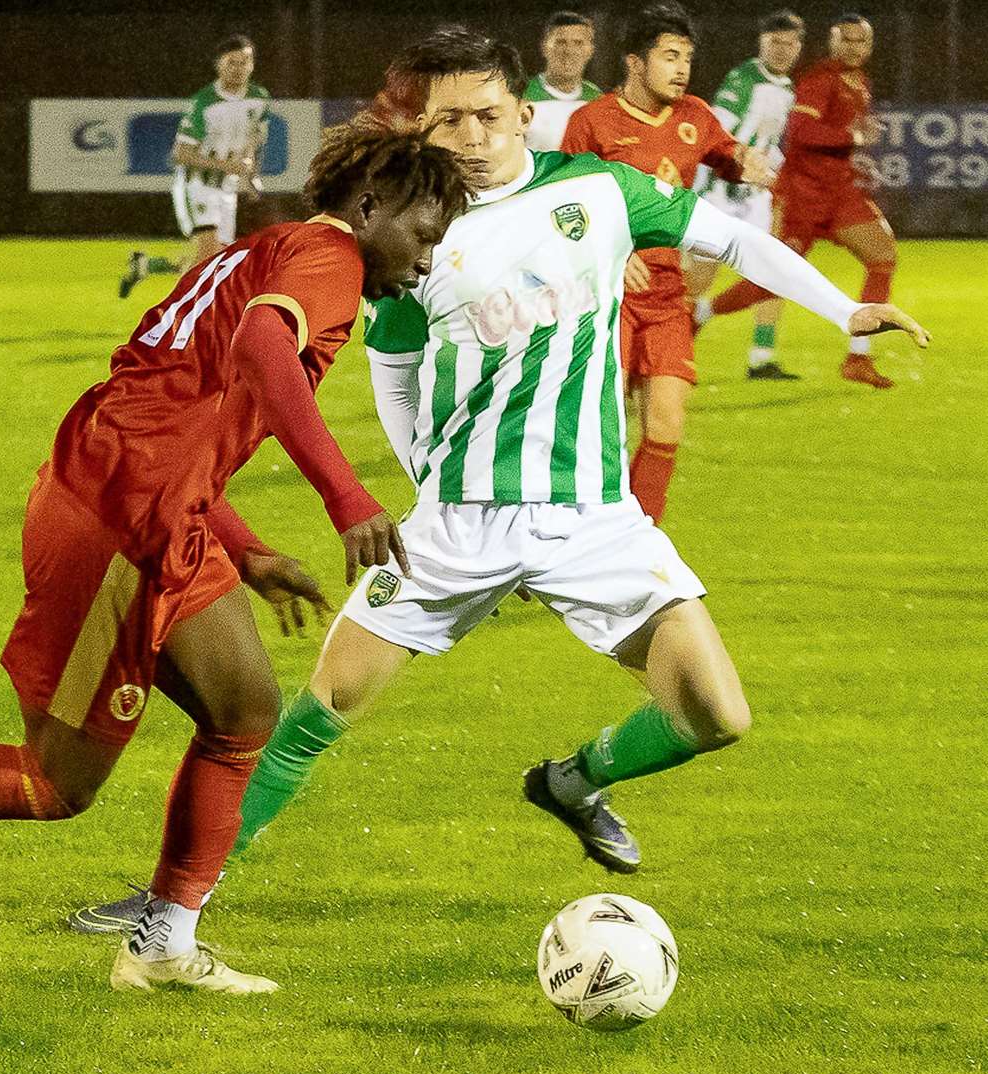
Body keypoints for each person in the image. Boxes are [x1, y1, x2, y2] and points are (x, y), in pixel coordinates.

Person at [68, 23, 927, 936]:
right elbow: (394, 373)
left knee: (716, 714)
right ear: (422, 130)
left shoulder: (597, 191)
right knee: (323, 706)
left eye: (486, 116)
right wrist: (423, 482)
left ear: (523, 114)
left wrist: (845, 308)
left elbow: (733, 240)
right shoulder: (412, 232)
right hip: (457, 523)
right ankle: (170, 902)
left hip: (596, 518)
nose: (471, 138)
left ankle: (572, 781)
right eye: (448, 123)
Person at [0, 127, 473, 995]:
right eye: (423, 237)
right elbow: (266, 352)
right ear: (368, 207)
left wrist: (247, 548)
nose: (425, 262)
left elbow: (169, 409)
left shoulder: (260, 250)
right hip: (115, 527)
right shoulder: (329, 262)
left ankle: (161, 946)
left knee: (244, 710)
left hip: (145, 500)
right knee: (53, 784)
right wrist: (349, 498)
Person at [560, 3, 776, 522]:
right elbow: (563, 207)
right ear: (635, 61)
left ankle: (639, 539)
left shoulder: (694, 117)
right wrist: (610, 248)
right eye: (670, 56)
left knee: (666, 424)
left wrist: (750, 164)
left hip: (665, 292)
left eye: (687, 58)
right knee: (596, 432)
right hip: (603, 293)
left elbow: (729, 155)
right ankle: (557, 539)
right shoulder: (591, 122)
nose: (682, 69)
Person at [695, 14, 898, 389]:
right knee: (769, 277)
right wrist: (852, 137)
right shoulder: (813, 80)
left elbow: (784, 141)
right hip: (789, 196)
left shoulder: (850, 82)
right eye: (846, 40)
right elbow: (802, 132)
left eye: (861, 41)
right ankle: (695, 318)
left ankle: (855, 354)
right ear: (832, 42)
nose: (853, 47)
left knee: (883, 255)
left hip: (828, 194)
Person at [687, 9, 805, 380]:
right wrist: (741, 163)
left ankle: (761, 356)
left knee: (773, 270)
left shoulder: (787, 88)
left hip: (755, 196)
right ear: (761, 44)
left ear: (799, 47)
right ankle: (666, 353)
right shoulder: (744, 80)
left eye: (789, 44)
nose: (782, 50)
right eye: (775, 43)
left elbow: (769, 141)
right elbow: (719, 129)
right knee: (697, 279)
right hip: (721, 192)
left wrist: (775, 169)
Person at [119, 35, 270, 299]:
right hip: (196, 184)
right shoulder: (204, 103)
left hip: (226, 188)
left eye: (244, 62)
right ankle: (179, 320)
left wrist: (251, 174)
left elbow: (256, 137)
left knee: (214, 261)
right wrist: (226, 164)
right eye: (231, 62)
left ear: (252, 65)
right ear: (218, 65)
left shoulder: (259, 98)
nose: (238, 68)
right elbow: (181, 154)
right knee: (210, 257)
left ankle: (145, 266)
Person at [523, 11, 601, 152]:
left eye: (578, 43)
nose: (569, 51)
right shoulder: (521, 95)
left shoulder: (597, 99)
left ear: (590, 50)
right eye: (560, 42)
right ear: (545, 47)